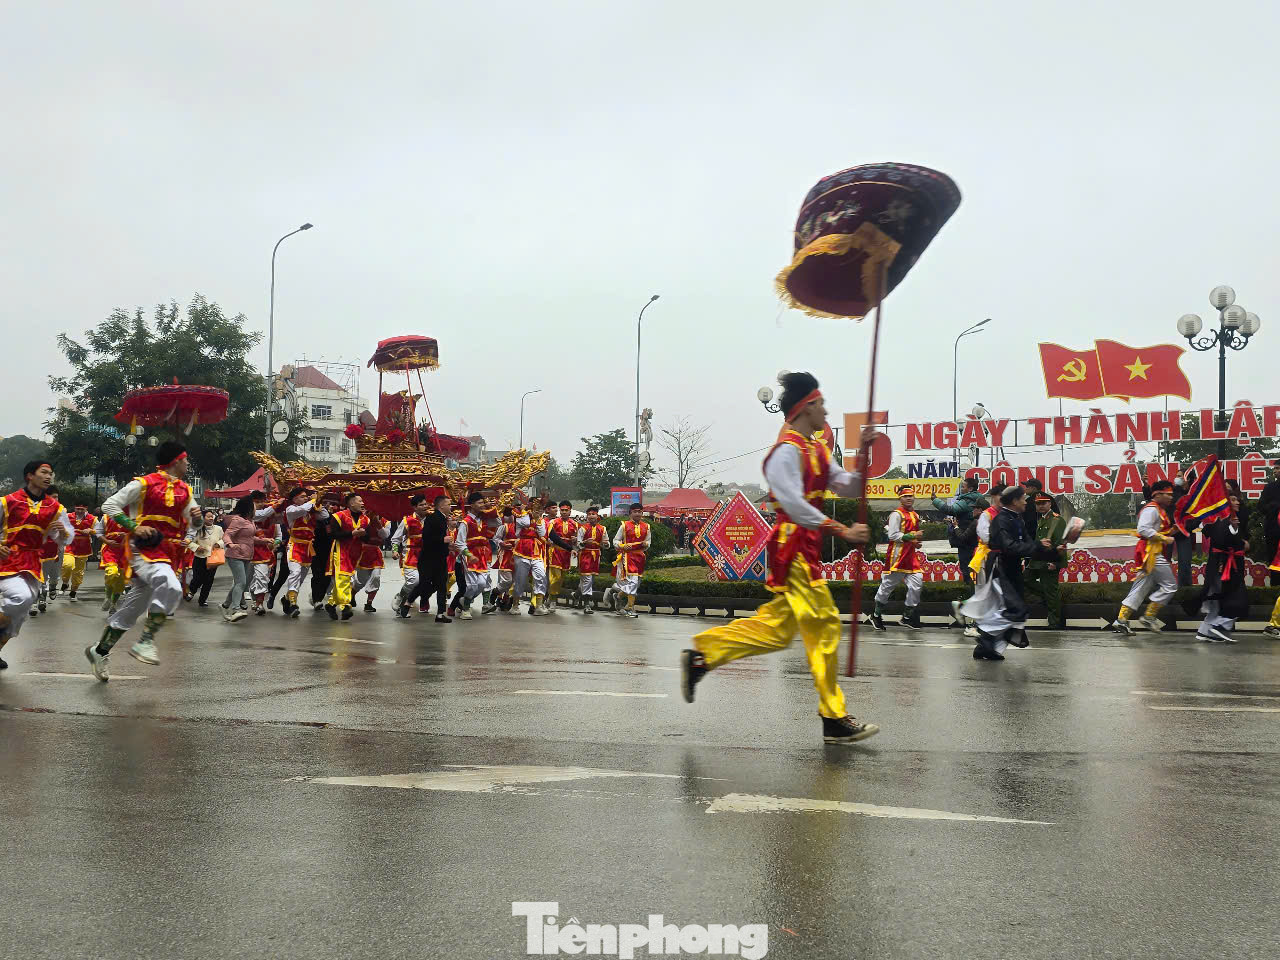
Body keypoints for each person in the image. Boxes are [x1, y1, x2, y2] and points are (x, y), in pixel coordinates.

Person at [679, 372, 878, 744]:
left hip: (805, 548)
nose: (826, 411)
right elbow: (794, 505)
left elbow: (848, 485)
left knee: (777, 630)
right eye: (821, 404)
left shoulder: (815, 448)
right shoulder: (785, 452)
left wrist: (864, 453)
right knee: (824, 625)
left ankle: (703, 655)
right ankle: (833, 716)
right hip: (794, 547)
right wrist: (843, 531)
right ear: (806, 407)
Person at [85, 441, 201, 681]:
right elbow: (110, 505)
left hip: (166, 552)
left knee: (130, 611)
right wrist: (133, 527)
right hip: (144, 549)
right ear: (177, 460)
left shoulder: (185, 490)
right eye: (186, 459)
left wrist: (198, 520)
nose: (188, 463)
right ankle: (146, 640)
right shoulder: (144, 483)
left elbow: (195, 523)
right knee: (170, 586)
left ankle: (99, 651)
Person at [961, 485, 1064, 660]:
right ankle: (985, 640)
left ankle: (987, 647)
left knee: (1013, 612)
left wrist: (1053, 552)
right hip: (1000, 568)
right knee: (1015, 610)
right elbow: (1009, 547)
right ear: (1015, 501)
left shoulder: (1017, 519)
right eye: (1023, 498)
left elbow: (1028, 545)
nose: (1026, 501)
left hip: (1013, 568)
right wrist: (1038, 546)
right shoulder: (1001, 520)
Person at [0, 461, 73, 668]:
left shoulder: (56, 508)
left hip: (33, 564)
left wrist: (61, 531)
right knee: (20, 597)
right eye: (44, 472)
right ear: (30, 476)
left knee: (21, 612)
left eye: (51, 473)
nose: (49, 476)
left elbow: (65, 539)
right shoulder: (7, 502)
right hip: (7, 560)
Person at [1113, 481, 1177, 635]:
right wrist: (1163, 538)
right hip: (1151, 552)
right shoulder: (1151, 509)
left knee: (1141, 586)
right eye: (1168, 494)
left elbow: (1158, 531)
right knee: (1170, 585)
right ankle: (1149, 616)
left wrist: (1172, 532)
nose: (1170, 498)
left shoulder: (1158, 510)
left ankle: (1121, 620)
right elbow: (1142, 529)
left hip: (1148, 552)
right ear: (1157, 494)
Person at [1188, 492, 1249, 643]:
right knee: (1238, 599)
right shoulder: (1220, 522)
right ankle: (1220, 626)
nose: (1237, 502)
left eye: (1237, 499)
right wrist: (1241, 542)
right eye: (1233, 500)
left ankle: (1205, 631)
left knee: (1216, 601)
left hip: (1224, 565)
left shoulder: (1231, 521)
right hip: (1223, 566)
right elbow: (1224, 539)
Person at [869, 486, 924, 630]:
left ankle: (906, 617)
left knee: (917, 584)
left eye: (911, 496)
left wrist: (915, 543)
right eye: (905, 496)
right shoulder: (896, 514)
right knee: (887, 586)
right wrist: (913, 536)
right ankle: (876, 615)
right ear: (900, 498)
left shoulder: (915, 515)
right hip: (897, 555)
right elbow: (893, 535)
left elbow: (910, 536)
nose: (909, 498)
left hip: (911, 556)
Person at [400, 494, 453, 621]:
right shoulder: (433, 518)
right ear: (441, 506)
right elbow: (426, 538)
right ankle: (408, 602)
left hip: (440, 558)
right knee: (423, 584)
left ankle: (440, 614)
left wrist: (449, 547)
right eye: (449, 504)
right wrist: (443, 539)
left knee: (441, 585)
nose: (451, 507)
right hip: (428, 559)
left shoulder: (442, 519)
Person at [278, 487, 328, 618]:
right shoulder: (291, 510)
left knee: (300, 578)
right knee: (295, 573)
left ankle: (286, 599)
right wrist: (313, 500)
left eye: (307, 496)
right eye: (302, 496)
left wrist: (318, 503)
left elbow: (325, 515)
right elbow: (301, 510)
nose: (306, 498)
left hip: (308, 548)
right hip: (294, 545)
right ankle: (293, 603)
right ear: (294, 499)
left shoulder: (311, 511)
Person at [1024, 493, 1067, 629]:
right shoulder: (1042, 519)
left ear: (1050, 504)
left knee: (1051, 591)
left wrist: (1055, 562)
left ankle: (1055, 623)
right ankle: (1049, 598)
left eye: (1044, 503)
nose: (1041, 506)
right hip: (1037, 561)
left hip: (1050, 562)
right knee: (1025, 580)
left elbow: (1061, 544)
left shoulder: (1057, 520)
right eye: (1038, 503)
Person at [325, 493, 371, 621]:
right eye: (360, 501)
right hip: (340, 551)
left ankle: (331, 604)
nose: (363, 503)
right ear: (351, 503)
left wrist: (363, 534)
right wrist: (352, 533)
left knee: (345, 578)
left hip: (355, 553)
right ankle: (345, 606)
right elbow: (333, 534)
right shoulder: (338, 516)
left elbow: (368, 537)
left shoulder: (365, 519)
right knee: (343, 578)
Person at [219, 497, 259, 624]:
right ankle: (236, 609)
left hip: (246, 556)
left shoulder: (250, 521)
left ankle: (225, 605)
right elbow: (227, 535)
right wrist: (230, 544)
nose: (256, 508)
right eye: (254, 506)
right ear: (248, 508)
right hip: (235, 555)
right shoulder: (238, 520)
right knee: (241, 582)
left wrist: (265, 540)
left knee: (240, 582)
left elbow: (250, 538)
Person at [611, 502, 651, 618]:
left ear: (642, 513)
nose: (637, 513)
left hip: (640, 557)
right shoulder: (624, 525)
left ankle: (618, 595)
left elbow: (648, 542)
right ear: (630, 513)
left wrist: (645, 544)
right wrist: (623, 546)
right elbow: (616, 541)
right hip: (627, 557)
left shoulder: (646, 527)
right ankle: (630, 608)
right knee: (633, 582)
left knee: (636, 583)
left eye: (639, 511)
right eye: (635, 511)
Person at [391, 495, 429, 614]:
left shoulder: (431, 519)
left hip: (427, 555)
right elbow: (395, 538)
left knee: (426, 582)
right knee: (414, 580)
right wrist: (395, 550)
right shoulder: (407, 520)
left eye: (425, 504)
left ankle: (407, 605)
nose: (425, 506)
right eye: (421, 505)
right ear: (414, 507)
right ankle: (400, 596)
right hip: (411, 554)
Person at [513, 500, 550, 615]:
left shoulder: (541, 520)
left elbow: (542, 533)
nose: (538, 511)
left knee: (541, 576)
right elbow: (525, 524)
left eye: (540, 509)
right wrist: (525, 511)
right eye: (536, 509)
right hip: (522, 550)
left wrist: (538, 519)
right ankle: (515, 605)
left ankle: (538, 606)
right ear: (530, 508)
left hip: (536, 551)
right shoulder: (522, 516)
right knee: (520, 579)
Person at [35, 484, 64, 615]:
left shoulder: (61, 511)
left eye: (56, 497)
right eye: (52, 497)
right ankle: (41, 598)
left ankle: (53, 586)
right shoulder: (36, 510)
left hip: (58, 547)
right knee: (41, 575)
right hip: (40, 548)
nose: (55, 500)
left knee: (54, 573)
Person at [185, 509, 224, 607]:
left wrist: (218, 544)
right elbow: (187, 541)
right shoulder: (197, 529)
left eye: (212, 516)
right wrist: (197, 547)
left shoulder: (218, 529)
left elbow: (224, 540)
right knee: (198, 578)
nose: (211, 518)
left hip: (213, 559)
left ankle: (203, 599)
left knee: (209, 580)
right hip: (199, 557)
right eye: (208, 516)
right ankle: (192, 591)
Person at [352, 512, 390, 612]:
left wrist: (378, 523)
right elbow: (358, 534)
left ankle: (369, 604)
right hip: (363, 552)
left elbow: (385, 535)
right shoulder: (363, 518)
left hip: (376, 552)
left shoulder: (386, 521)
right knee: (361, 581)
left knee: (376, 577)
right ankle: (351, 595)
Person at [96, 511, 132, 613]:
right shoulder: (106, 517)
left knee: (121, 582)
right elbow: (98, 533)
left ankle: (113, 603)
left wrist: (127, 536)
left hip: (126, 552)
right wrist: (107, 541)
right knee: (112, 573)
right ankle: (107, 597)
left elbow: (138, 534)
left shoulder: (133, 517)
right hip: (110, 550)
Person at [546, 500, 578, 612]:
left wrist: (575, 541)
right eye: (562, 510)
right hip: (555, 552)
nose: (564, 512)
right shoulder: (553, 522)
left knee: (561, 579)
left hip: (566, 554)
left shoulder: (575, 524)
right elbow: (547, 536)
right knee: (555, 577)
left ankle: (551, 597)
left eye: (566, 510)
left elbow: (576, 542)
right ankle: (553, 599)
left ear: (570, 511)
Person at [575, 506, 607, 614]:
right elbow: (578, 544)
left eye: (593, 514)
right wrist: (585, 542)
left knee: (590, 580)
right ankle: (587, 604)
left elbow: (606, 543)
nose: (591, 516)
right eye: (589, 514)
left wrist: (606, 544)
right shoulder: (583, 528)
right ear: (587, 516)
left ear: (597, 516)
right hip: (585, 555)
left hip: (596, 555)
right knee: (587, 579)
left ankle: (576, 594)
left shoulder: (602, 529)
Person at [62, 503, 97, 601]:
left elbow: (99, 530)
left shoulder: (92, 519)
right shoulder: (68, 516)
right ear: (74, 508)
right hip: (70, 545)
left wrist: (90, 530)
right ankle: (65, 582)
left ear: (86, 509)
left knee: (78, 571)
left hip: (83, 547)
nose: (80, 511)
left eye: (82, 509)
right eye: (78, 509)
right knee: (67, 565)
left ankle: (73, 592)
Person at [490, 505, 519, 613]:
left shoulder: (523, 527)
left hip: (520, 555)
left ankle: (507, 599)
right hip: (506, 555)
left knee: (516, 580)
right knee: (507, 580)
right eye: (511, 514)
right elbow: (496, 538)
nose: (513, 517)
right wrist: (502, 543)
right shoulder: (505, 526)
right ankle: (496, 593)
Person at [1260, 461, 1280, 588]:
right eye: (1274, 469)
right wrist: (1274, 506)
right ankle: (1275, 590)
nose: (1275, 471)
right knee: (1274, 560)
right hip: (1273, 531)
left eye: (1277, 468)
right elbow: (1261, 506)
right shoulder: (1269, 488)